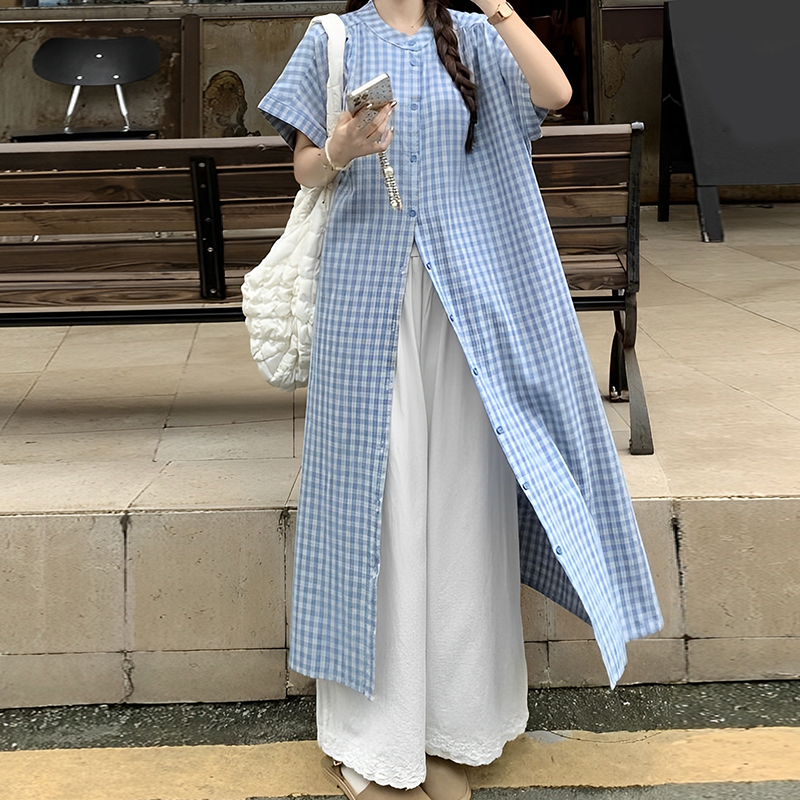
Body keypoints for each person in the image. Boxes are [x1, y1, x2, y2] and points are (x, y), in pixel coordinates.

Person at [258, 1, 662, 798]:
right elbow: (303, 167)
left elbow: (554, 93)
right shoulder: (333, 38)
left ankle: (453, 728)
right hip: (367, 302)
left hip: (469, 304)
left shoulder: (477, 37)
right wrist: (340, 147)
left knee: (463, 508)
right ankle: (375, 738)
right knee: (378, 510)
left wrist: (498, 7)